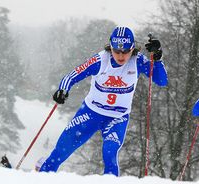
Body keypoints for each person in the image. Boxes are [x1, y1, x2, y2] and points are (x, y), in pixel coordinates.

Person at [39, 26, 168, 176]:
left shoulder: (137, 61)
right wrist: (63, 89)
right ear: (110, 48)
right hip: (91, 113)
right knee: (61, 149)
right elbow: (73, 75)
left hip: (117, 117)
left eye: (125, 51)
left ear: (133, 49)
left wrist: (157, 57)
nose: (121, 56)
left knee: (110, 152)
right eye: (116, 51)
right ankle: (40, 183)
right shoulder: (101, 60)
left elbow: (161, 80)